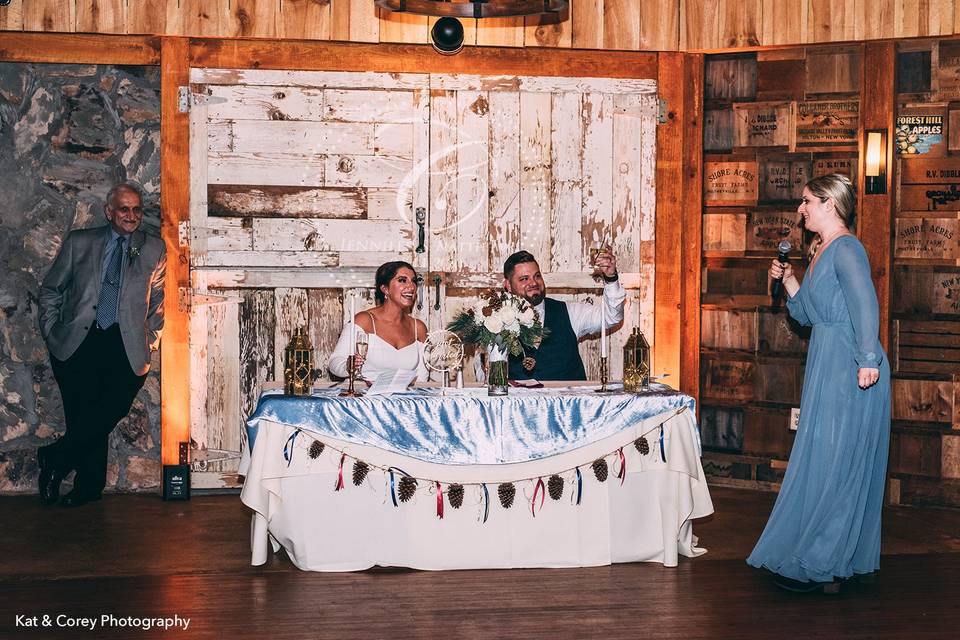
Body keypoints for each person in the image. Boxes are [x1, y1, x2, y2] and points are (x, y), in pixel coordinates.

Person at [746, 174, 891, 592]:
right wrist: (789, 278)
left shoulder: (847, 248)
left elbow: (866, 303)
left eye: (807, 201)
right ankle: (828, 553)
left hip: (851, 365)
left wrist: (867, 359)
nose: (801, 208)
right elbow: (807, 315)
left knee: (840, 460)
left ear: (830, 204)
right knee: (825, 456)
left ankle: (821, 562)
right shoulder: (821, 251)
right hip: (827, 360)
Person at [37, 182, 166, 507]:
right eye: (124, 209)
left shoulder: (153, 248)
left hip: (126, 347)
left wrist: (150, 340)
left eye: (137, 209)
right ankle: (87, 488)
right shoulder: (80, 243)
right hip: (79, 341)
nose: (131, 215)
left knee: (108, 411)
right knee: (82, 416)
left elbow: (159, 303)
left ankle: (54, 458)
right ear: (109, 212)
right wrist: (53, 332)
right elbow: (52, 289)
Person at [502, 250, 625, 381]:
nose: (533, 283)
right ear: (508, 285)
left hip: (569, 400)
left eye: (537, 276)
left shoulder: (570, 311)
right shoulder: (496, 320)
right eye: (524, 279)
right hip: (520, 400)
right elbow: (487, 369)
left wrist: (611, 278)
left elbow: (611, 317)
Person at [329, 261, 428, 383]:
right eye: (402, 280)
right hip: (364, 399)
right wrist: (347, 366)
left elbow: (422, 376)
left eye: (413, 281)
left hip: (402, 399)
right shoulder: (364, 321)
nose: (411, 286)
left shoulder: (419, 328)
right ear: (385, 289)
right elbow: (334, 362)